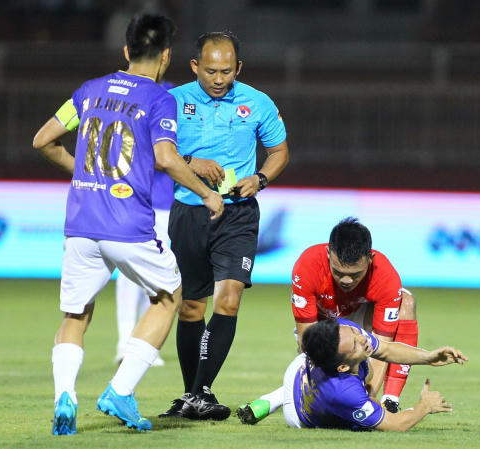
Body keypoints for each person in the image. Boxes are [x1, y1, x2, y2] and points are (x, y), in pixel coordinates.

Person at [31, 14, 224, 435]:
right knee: (169, 295)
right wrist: (207, 193)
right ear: (166, 55)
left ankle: (65, 395)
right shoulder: (159, 98)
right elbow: (166, 157)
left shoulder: (88, 91)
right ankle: (120, 390)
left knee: (76, 314)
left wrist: (85, 172)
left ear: (126, 50)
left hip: (80, 225)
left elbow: (42, 140)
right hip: (126, 225)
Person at [158, 30, 289, 421]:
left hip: (238, 214)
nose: (218, 79)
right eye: (211, 71)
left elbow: (279, 152)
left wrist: (260, 179)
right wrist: (190, 162)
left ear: (239, 68)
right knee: (191, 307)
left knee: (228, 299)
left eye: (226, 71)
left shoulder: (258, 102)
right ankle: (193, 395)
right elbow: (153, 152)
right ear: (195, 66)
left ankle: (199, 392)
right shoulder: (172, 101)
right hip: (189, 212)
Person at [238, 217, 419, 421]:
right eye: (338, 272)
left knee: (406, 302)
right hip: (324, 326)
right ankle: (272, 401)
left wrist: (370, 397)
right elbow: (306, 343)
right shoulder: (308, 265)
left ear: (370, 259)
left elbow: (382, 348)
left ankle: (390, 401)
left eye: (356, 274)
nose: (346, 280)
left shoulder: (385, 275)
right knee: (325, 366)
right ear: (328, 254)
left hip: (360, 318)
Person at [237, 319, 468, 431]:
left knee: (368, 376)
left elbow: (386, 349)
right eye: (356, 345)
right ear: (342, 368)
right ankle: (272, 402)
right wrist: (424, 406)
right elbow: (396, 425)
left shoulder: (342, 333)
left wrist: (429, 357)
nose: (363, 339)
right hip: (297, 413)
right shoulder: (344, 392)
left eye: (355, 334)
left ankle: (265, 403)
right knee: (369, 419)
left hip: (297, 369)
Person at [114, 170, 172, 367]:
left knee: (157, 276)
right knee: (130, 275)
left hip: (173, 205)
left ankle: (144, 343)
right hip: (137, 201)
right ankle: (125, 342)